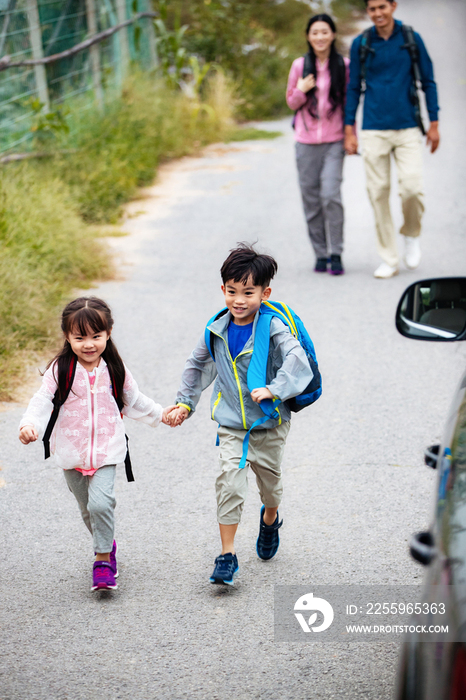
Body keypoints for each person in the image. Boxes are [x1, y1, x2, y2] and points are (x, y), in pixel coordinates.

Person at [167, 244, 314, 586]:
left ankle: (270, 518)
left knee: (270, 487)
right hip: (232, 425)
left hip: (268, 424)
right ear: (223, 290)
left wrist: (275, 388)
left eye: (248, 292)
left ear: (265, 293)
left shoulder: (273, 326)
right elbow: (198, 364)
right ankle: (227, 555)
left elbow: (296, 360)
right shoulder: (216, 328)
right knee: (229, 483)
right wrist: (185, 403)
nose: (239, 300)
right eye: (232, 291)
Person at [19, 297, 175, 591]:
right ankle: (107, 542)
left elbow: (133, 400)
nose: (88, 344)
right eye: (80, 338)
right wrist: (30, 425)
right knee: (88, 510)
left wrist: (161, 414)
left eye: (96, 336)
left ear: (108, 333)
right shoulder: (60, 370)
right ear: (67, 336)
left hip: (107, 450)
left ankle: (102, 560)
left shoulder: (115, 369)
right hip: (70, 452)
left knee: (101, 503)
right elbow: (42, 401)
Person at [344, 0, 440, 279]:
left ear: (393, 6)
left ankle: (411, 233)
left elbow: (428, 81)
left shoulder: (411, 39)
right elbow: (353, 88)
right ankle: (389, 257)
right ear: (368, 12)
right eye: (372, 9)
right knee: (378, 193)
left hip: (408, 126)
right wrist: (349, 130)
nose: (378, 13)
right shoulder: (361, 43)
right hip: (373, 128)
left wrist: (434, 123)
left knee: (412, 188)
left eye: (382, 7)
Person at [286, 14, 349, 275]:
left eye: (325, 32)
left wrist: (351, 133)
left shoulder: (343, 65)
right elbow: (291, 102)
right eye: (315, 33)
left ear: (333, 35)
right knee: (311, 200)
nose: (320, 37)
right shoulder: (300, 65)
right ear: (308, 37)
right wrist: (301, 89)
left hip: (334, 141)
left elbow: (350, 102)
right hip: (305, 142)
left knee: (330, 195)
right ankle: (320, 253)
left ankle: (336, 252)